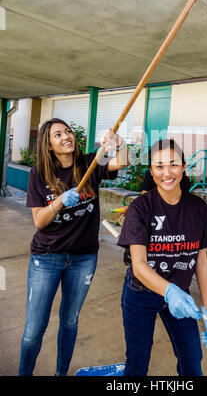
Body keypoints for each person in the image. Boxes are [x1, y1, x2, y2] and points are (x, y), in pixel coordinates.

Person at [19, 118, 128, 376]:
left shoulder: (89, 164)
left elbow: (121, 162)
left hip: (84, 258)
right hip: (47, 257)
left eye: (67, 131)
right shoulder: (39, 174)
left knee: (69, 321)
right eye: (58, 135)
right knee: (34, 330)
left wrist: (119, 142)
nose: (66, 136)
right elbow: (39, 221)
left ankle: (61, 373)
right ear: (48, 146)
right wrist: (58, 203)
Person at [117, 138, 207, 376]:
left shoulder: (199, 209)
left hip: (181, 297)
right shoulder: (140, 208)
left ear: (184, 167)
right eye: (159, 166)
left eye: (173, 164)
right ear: (151, 172)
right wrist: (168, 291)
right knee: (137, 363)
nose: (167, 172)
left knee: (193, 362)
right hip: (141, 294)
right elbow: (139, 265)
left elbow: (201, 261)